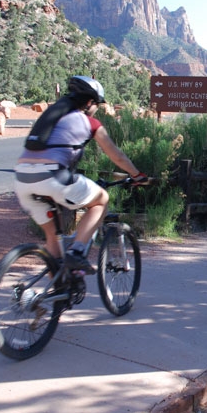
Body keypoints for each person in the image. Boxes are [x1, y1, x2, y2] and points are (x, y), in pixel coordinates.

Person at [14, 75, 147, 274]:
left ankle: (57, 291)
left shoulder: (51, 116)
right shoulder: (90, 123)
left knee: (53, 236)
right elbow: (117, 156)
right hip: (52, 177)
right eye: (97, 105)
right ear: (89, 102)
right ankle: (76, 252)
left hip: (22, 178)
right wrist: (137, 175)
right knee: (101, 199)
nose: (97, 109)